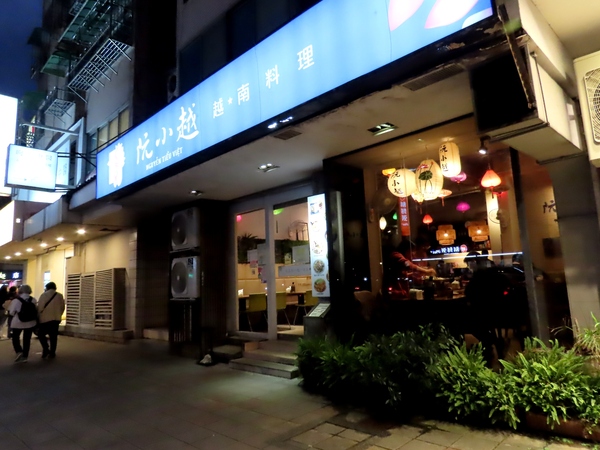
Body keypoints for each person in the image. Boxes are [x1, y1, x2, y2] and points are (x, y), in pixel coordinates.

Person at [8, 285, 38, 363]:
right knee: (27, 339)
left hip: (18, 322)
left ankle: (19, 351)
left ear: (20, 290)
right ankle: (25, 356)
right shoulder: (33, 300)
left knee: (15, 337)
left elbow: (11, 312)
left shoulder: (16, 300)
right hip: (30, 322)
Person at [37, 282, 65, 359]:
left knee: (41, 334)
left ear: (47, 288)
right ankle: (52, 352)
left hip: (45, 319)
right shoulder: (60, 295)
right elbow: (62, 307)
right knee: (53, 337)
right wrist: (59, 315)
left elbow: (40, 308)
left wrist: (39, 316)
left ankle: (46, 348)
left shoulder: (44, 295)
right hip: (56, 319)